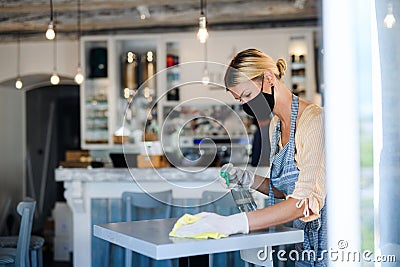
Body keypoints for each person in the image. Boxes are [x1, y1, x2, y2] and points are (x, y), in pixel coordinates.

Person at [174, 48, 327, 266]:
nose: (246, 105)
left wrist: (233, 223)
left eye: (247, 95)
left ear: (268, 78)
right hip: (301, 251)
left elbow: (303, 203)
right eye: (240, 100)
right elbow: (288, 193)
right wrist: (248, 179)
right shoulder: (276, 126)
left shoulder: (314, 121)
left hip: (328, 250)